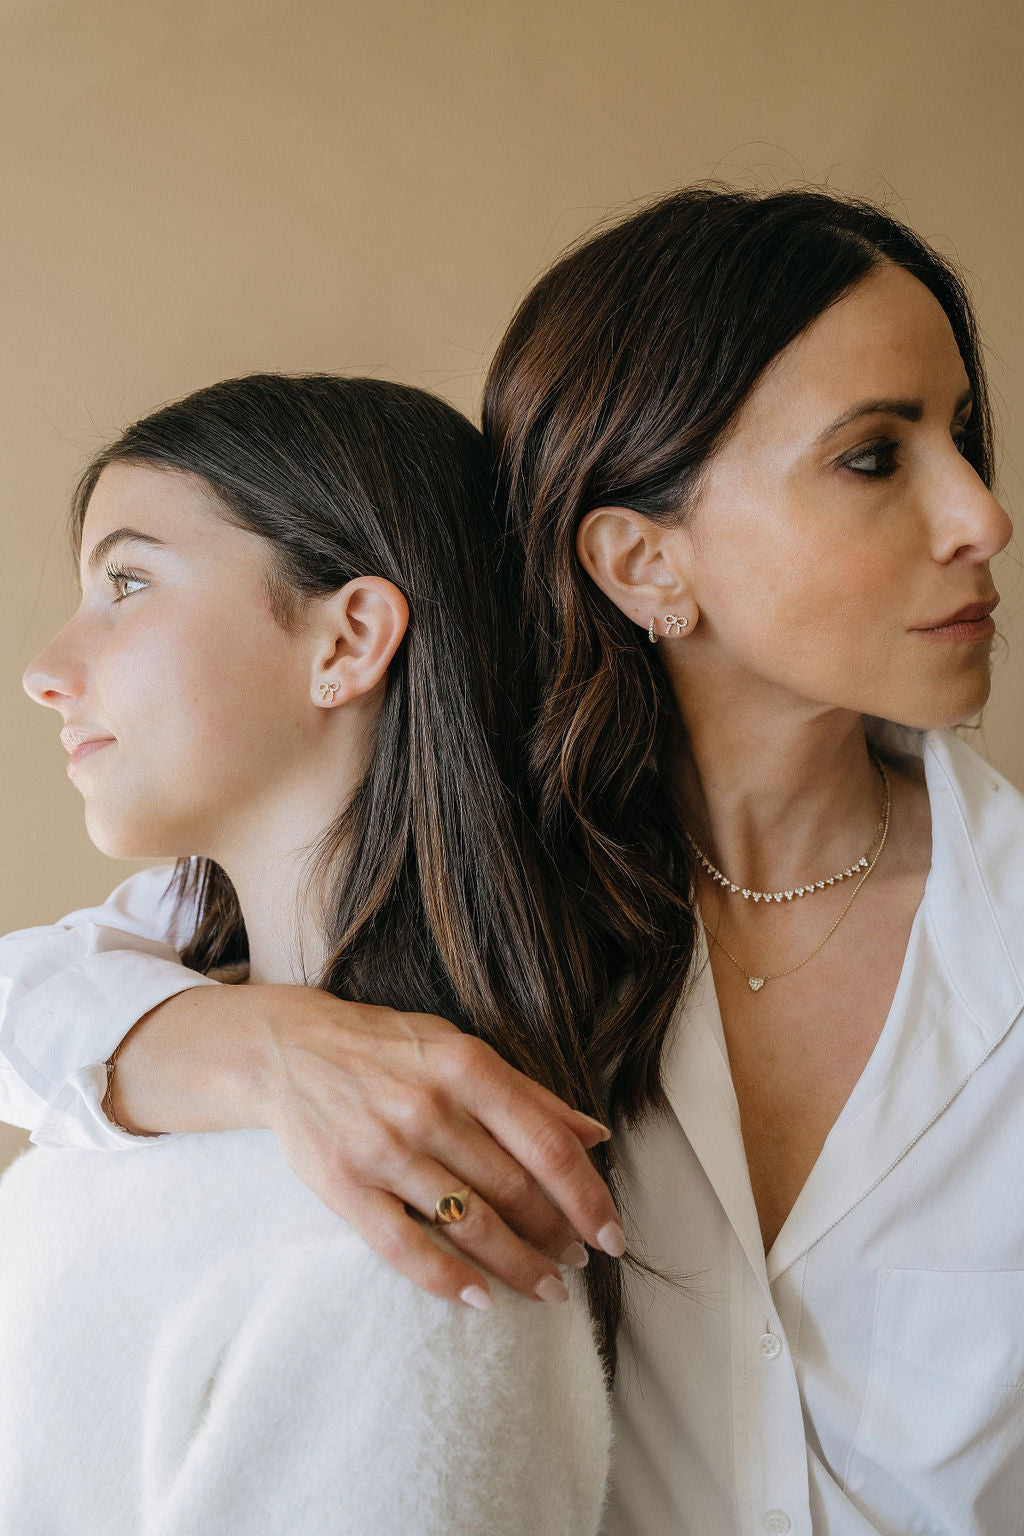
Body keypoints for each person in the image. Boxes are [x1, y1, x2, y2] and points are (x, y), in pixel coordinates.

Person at [2, 187, 1021, 1534]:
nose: (983, 519)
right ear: (643, 561)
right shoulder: (472, 875)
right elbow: (38, 993)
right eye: (875, 457)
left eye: (966, 439)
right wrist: (266, 1052)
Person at [0, 373, 610, 1535]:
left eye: (126, 582)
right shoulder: (139, 1065)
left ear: (350, 637)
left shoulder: (424, 1231)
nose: (46, 670)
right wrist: (255, 1047)